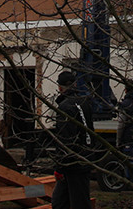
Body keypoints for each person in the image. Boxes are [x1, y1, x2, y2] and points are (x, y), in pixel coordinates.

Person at [50, 71, 97, 209]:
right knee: (61, 202)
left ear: (59, 87)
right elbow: (90, 132)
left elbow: (65, 140)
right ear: (75, 84)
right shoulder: (84, 103)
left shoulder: (65, 108)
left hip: (72, 165)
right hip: (81, 160)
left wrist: (60, 167)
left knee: (77, 203)